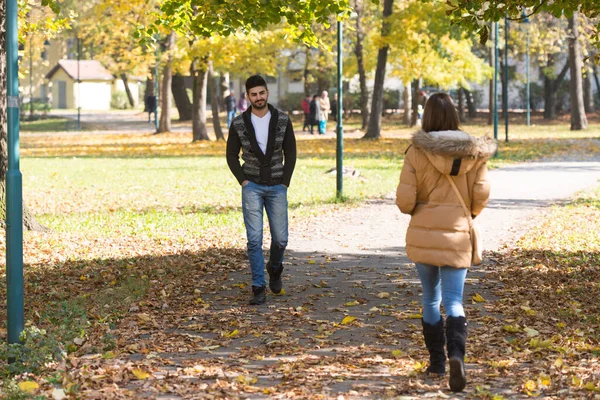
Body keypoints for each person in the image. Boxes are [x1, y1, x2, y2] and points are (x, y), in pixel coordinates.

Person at [395, 93, 496, 392]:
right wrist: (468, 214)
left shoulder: (416, 151)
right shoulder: (474, 152)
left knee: (429, 298)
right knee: (454, 300)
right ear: (454, 115)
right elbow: (481, 194)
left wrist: (421, 211)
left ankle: (437, 362)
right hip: (457, 233)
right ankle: (456, 354)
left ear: (427, 117)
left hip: (424, 231)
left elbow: (405, 200)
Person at [226, 75, 297, 305]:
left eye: (262, 93)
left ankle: (275, 268)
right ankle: (258, 286)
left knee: (281, 240)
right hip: (252, 186)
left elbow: (291, 153)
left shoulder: (283, 120)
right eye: (254, 94)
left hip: (277, 186)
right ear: (248, 97)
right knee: (254, 240)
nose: (259, 98)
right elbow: (231, 155)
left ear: (267, 93)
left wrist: (285, 181)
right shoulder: (238, 123)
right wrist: (243, 181)